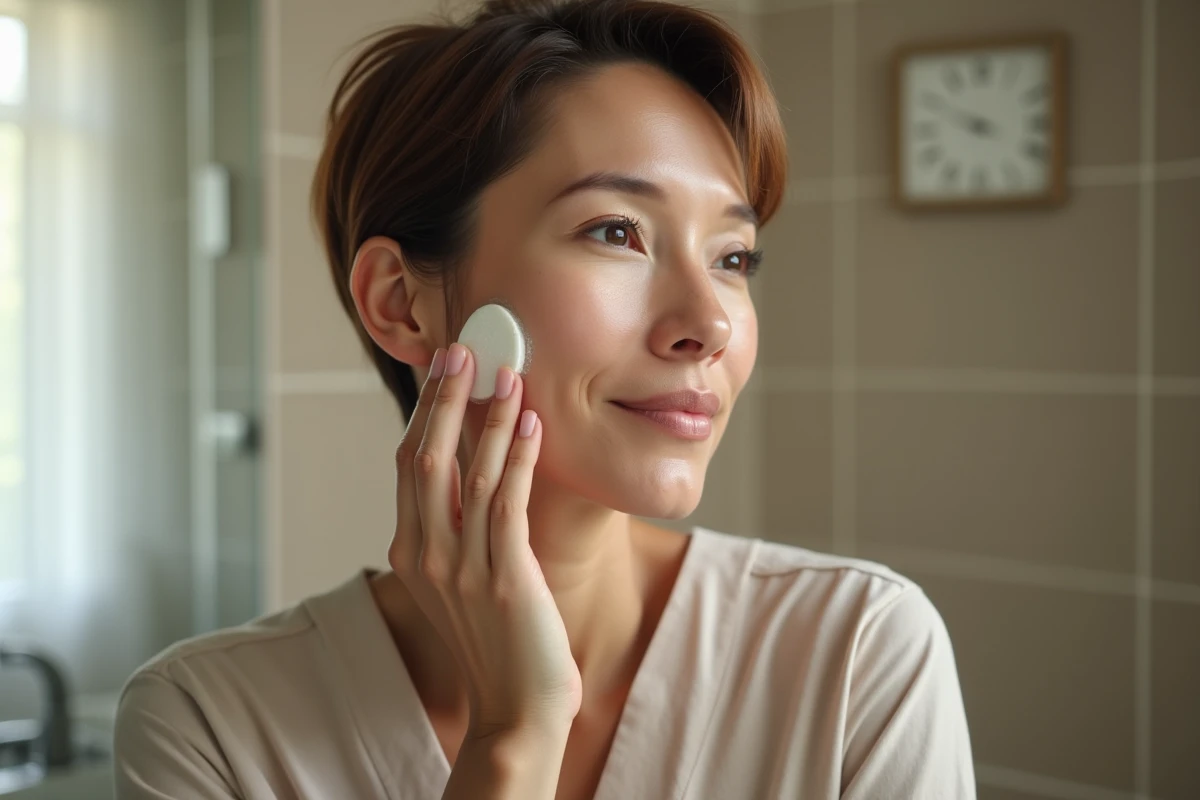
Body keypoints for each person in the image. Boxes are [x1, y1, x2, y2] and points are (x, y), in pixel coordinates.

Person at [113, 0, 976, 797]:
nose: (709, 323)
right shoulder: (207, 727)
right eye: (616, 232)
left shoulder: (859, 652)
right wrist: (515, 738)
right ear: (399, 301)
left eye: (733, 257)